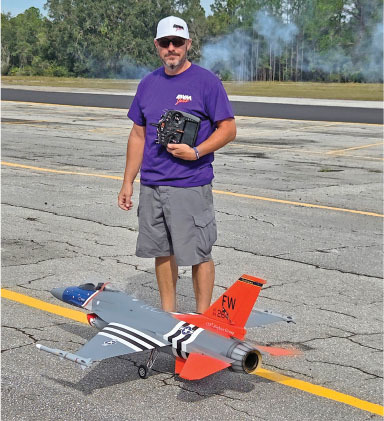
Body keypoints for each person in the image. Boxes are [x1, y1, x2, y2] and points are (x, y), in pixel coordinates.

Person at [118, 16, 236, 313]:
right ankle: (168, 315)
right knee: (162, 251)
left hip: (189, 184)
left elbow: (228, 128)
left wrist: (196, 151)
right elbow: (138, 134)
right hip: (153, 184)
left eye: (178, 42)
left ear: (188, 45)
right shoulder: (148, 83)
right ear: (157, 45)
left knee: (198, 253)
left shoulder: (206, 82)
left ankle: (202, 317)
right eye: (166, 43)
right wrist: (127, 181)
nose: (172, 48)